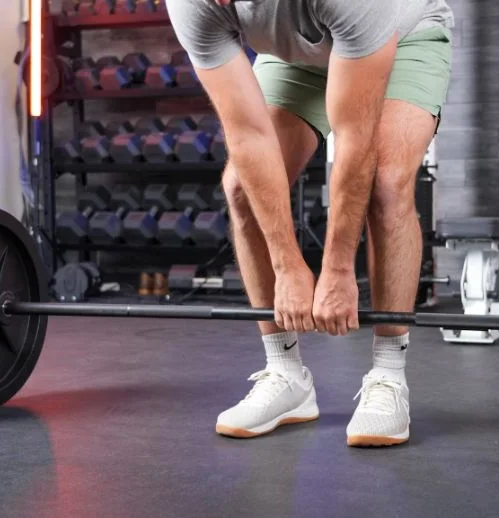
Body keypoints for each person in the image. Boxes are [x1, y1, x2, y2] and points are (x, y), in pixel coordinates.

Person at [167, 0, 454, 446]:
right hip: (296, 55)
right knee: (241, 189)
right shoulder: (192, 4)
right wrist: (286, 266)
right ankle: (285, 373)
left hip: (401, 37)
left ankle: (388, 374)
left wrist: (338, 269)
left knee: (386, 183)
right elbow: (247, 135)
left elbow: (355, 138)